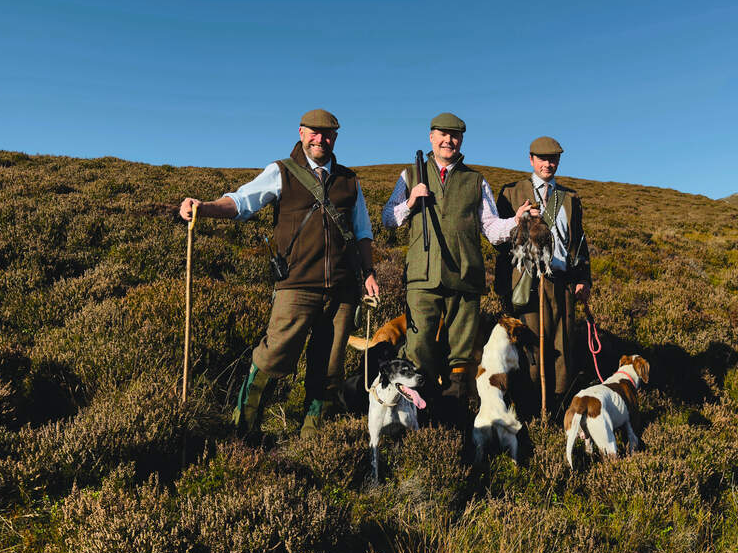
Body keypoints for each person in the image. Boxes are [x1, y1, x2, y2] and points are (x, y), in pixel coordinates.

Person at [179, 109, 379, 438]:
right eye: (314, 132)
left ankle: (312, 439)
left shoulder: (349, 180)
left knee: (330, 367)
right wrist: (206, 207)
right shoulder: (281, 171)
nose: (320, 139)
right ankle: (243, 432)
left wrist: (368, 272)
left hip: (343, 289)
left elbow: (362, 232)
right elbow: (242, 202)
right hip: (297, 285)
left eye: (327, 134)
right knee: (273, 357)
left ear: (335, 138)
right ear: (301, 133)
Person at [381, 112, 532, 428]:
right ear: (431, 137)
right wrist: (410, 202)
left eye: (455, 136)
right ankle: (420, 419)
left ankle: (452, 422)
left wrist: (516, 221)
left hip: (465, 278)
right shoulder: (411, 175)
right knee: (419, 349)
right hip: (422, 278)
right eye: (443, 135)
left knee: (461, 353)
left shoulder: (476, 181)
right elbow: (388, 219)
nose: (448, 140)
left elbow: (491, 228)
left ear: (461, 140)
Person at [495, 136, 591, 418]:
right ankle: (528, 411)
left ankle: (558, 411)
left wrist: (583, 278)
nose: (548, 164)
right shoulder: (511, 193)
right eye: (542, 158)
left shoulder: (570, 199)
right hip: (526, 284)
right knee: (531, 348)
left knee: (563, 348)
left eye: (553, 159)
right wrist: (519, 223)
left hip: (562, 282)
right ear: (531, 159)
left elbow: (579, 243)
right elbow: (497, 240)